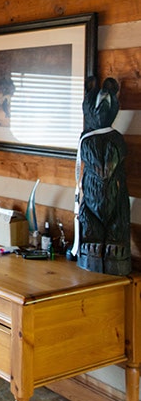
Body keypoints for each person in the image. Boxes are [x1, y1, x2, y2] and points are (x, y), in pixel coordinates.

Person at [74, 77, 131, 275]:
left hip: (115, 199)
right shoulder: (86, 139)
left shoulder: (116, 138)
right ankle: (90, 244)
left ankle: (115, 245)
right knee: (88, 218)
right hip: (90, 201)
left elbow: (106, 169)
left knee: (120, 214)